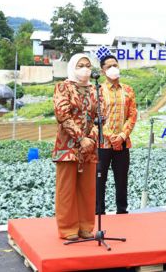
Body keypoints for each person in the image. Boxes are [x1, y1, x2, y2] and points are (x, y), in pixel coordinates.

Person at [53, 53, 98, 240]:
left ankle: (86, 227)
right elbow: (62, 114)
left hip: (89, 148)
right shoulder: (63, 87)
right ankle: (68, 228)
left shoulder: (96, 90)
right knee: (66, 189)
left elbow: (100, 118)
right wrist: (81, 139)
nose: (85, 68)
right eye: (80, 65)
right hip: (68, 146)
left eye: (88, 65)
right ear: (72, 67)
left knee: (87, 190)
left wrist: (92, 139)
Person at [96, 54, 137, 215]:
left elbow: (132, 115)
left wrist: (122, 136)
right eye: (109, 66)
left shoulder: (128, 90)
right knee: (100, 181)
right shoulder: (97, 90)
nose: (113, 68)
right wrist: (109, 136)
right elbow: (94, 116)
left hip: (122, 143)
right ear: (102, 70)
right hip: (103, 144)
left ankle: (122, 211)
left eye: (115, 65)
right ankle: (99, 213)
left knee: (122, 180)